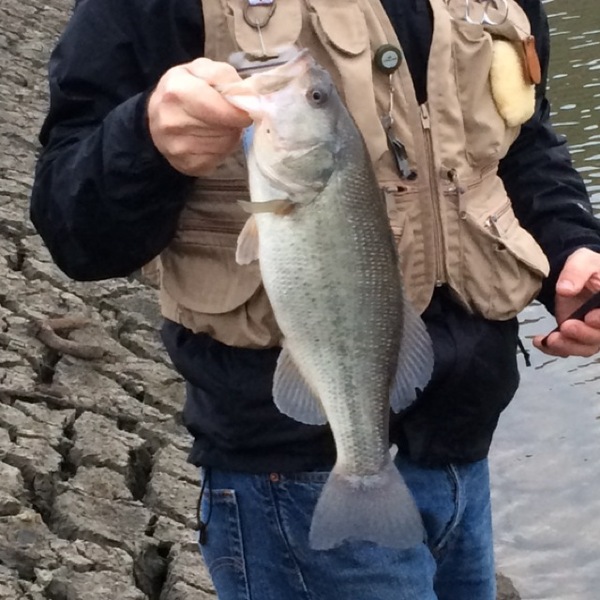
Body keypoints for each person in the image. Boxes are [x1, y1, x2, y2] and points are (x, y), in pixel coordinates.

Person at [30, 0, 600, 598]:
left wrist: (573, 246)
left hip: (465, 448)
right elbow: (76, 233)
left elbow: (524, 142)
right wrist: (147, 137)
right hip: (289, 479)